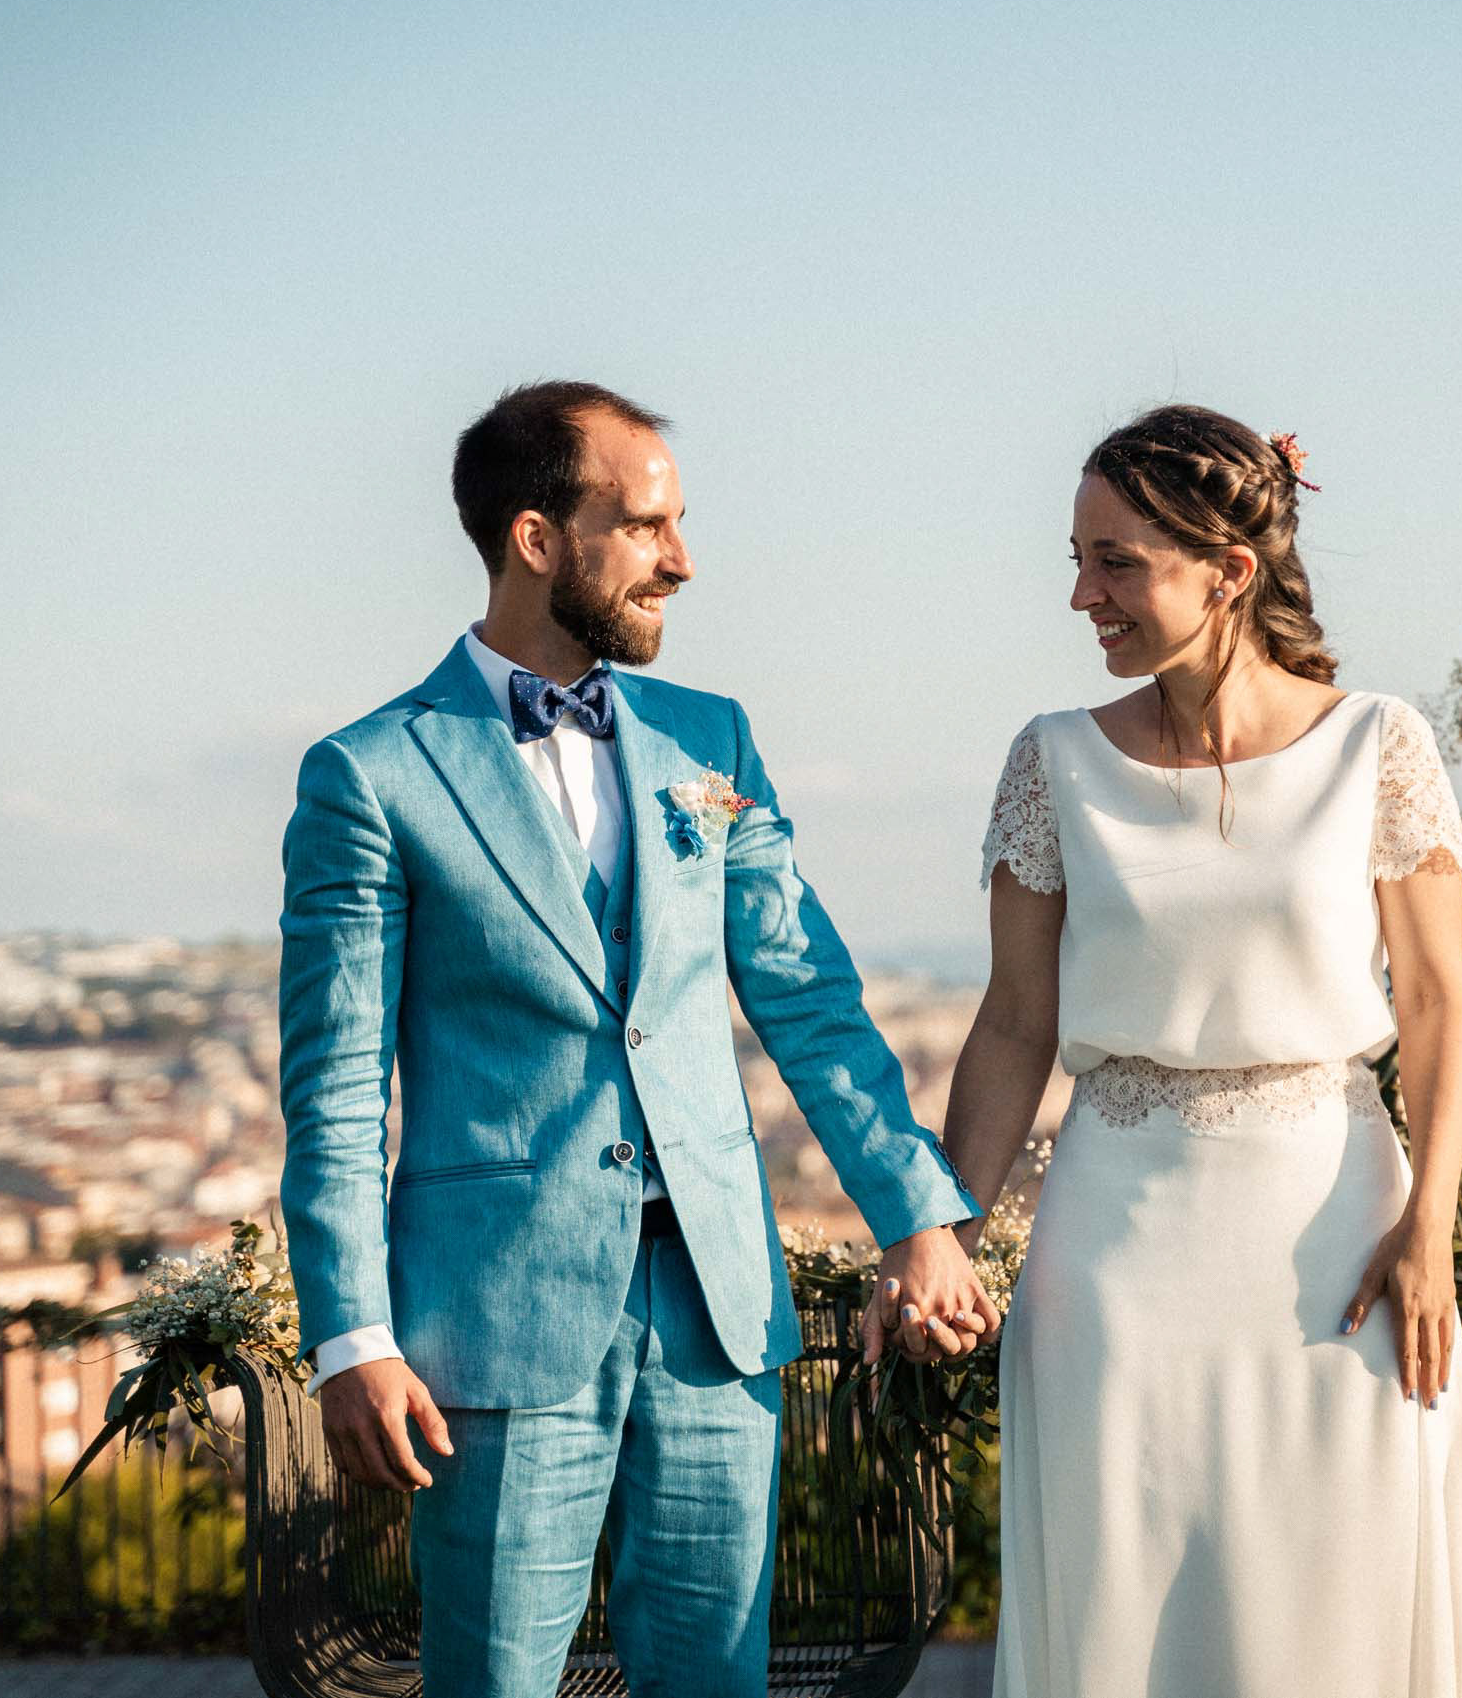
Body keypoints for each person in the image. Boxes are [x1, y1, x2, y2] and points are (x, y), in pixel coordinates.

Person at [275, 380, 997, 1698]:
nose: (683, 559)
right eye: (648, 525)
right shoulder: (372, 773)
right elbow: (335, 1090)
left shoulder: (706, 739)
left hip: (717, 1303)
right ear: (538, 539)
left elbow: (807, 995)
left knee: (718, 1682)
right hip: (496, 1313)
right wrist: (352, 1337)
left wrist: (917, 1215)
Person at [940, 404, 1462, 1696]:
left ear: (1229, 571)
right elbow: (1013, 1023)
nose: (1081, 595)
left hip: (1342, 1245)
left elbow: (1440, 1005)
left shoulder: (1378, 743)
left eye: (1115, 563)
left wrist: (1431, 1228)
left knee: (1340, 1592)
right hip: (1112, 1255)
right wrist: (946, 1234)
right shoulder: (1051, 762)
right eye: (1077, 559)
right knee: (1121, 1591)